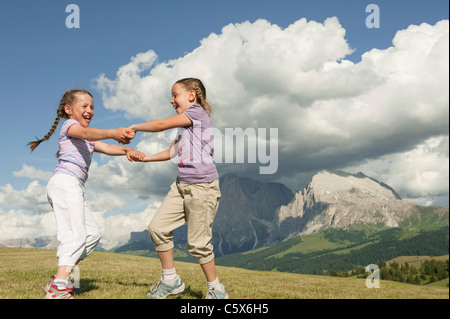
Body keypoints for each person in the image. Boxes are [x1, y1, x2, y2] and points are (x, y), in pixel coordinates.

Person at [27, 89, 145, 299]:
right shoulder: (70, 127)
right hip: (64, 183)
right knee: (75, 235)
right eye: (84, 106)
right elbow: (89, 134)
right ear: (69, 110)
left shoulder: (87, 140)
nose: (89, 110)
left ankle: (58, 279)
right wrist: (112, 131)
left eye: (92, 107)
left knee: (91, 235)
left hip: (74, 187)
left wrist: (127, 150)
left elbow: (108, 147)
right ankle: (58, 288)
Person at [129, 78, 228, 299]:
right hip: (181, 185)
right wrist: (144, 159)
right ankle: (171, 280)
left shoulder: (197, 113)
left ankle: (217, 290)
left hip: (202, 187)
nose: (172, 100)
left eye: (175, 95)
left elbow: (162, 124)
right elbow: (170, 152)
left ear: (192, 95)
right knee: (157, 227)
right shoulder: (186, 126)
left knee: (198, 244)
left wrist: (135, 127)